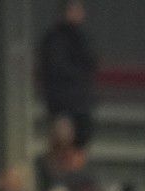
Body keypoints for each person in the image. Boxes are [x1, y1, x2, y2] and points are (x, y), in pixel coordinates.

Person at [38, 1, 97, 148]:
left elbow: (92, 61)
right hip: (63, 103)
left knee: (81, 142)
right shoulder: (55, 39)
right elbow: (55, 69)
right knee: (64, 143)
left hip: (80, 102)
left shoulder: (83, 37)